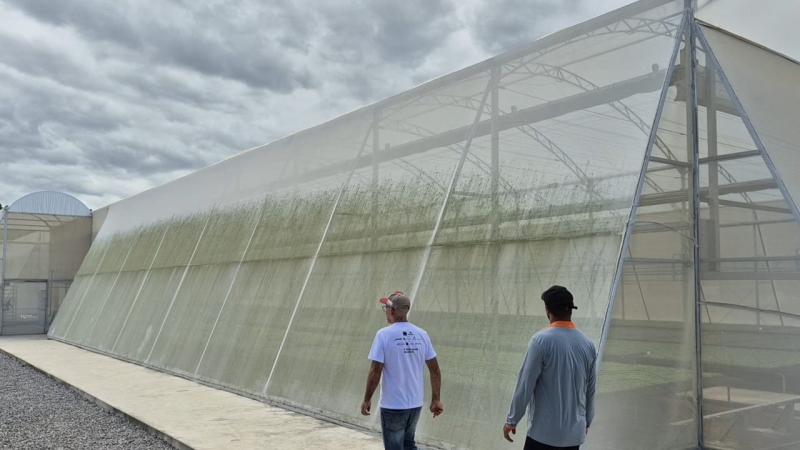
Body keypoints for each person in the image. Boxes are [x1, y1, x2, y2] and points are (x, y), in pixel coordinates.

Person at [503, 285, 597, 450]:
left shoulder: (540, 342)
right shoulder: (587, 345)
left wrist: (512, 420)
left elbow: (525, 386)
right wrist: (587, 422)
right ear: (571, 310)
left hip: (543, 435)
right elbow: (590, 390)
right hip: (574, 435)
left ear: (547, 309)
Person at [361, 290, 443, 450]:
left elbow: (375, 372)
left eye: (386, 308)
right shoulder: (422, 334)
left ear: (392, 310)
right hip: (415, 404)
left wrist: (367, 399)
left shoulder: (383, 335)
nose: (386, 312)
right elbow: (435, 370)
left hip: (393, 406)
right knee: (408, 444)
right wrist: (436, 399)